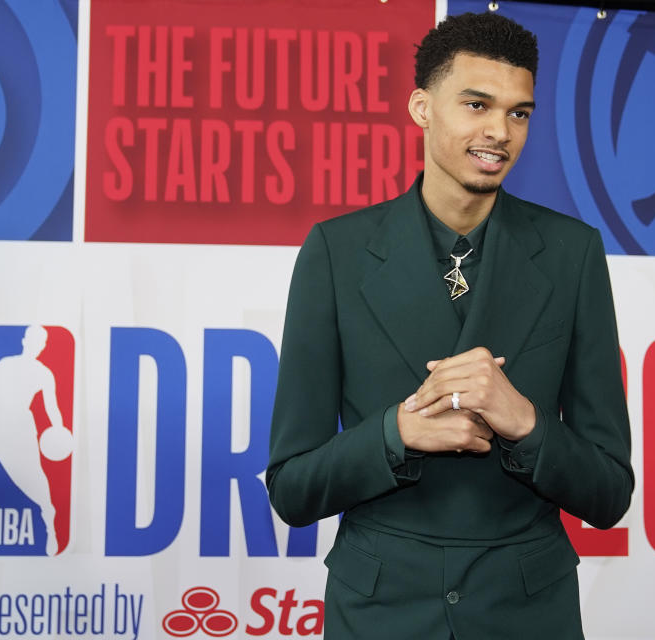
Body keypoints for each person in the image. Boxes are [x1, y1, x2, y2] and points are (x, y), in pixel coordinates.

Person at [266, 12, 633, 639]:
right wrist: (396, 433)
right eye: (476, 105)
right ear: (421, 107)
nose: (499, 132)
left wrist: (525, 423)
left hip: (526, 612)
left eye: (519, 113)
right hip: (382, 611)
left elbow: (609, 493)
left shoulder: (573, 253)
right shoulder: (336, 252)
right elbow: (293, 488)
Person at [0, 325, 64, 556]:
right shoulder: (5, 364)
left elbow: (52, 408)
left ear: (44, 346)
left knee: (34, 475)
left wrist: (59, 430)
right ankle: (46, 509)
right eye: (35, 339)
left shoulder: (44, 373)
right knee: (13, 476)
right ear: (25, 340)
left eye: (42, 342)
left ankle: (49, 519)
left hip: (22, 427)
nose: (38, 345)